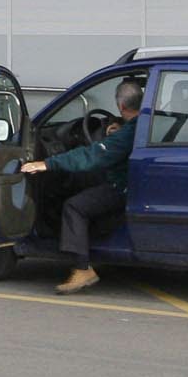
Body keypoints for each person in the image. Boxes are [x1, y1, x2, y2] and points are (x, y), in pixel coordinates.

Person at [19, 80, 142, 295]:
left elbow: (91, 156)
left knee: (74, 207)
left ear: (121, 105)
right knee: (80, 182)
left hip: (122, 188)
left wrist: (47, 163)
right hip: (128, 181)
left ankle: (82, 268)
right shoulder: (140, 124)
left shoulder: (128, 134)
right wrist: (117, 128)